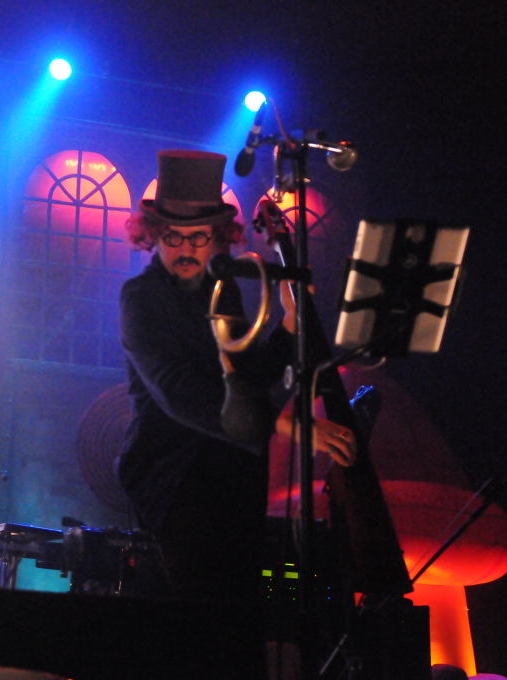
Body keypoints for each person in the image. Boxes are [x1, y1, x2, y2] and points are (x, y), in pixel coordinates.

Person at [117, 150, 357, 613]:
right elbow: (180, 396)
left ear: (218, 239)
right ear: (153, 236)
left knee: (242, 620)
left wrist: (288, 324)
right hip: (175, 477)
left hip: (235, 474)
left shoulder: (221, 293)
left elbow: (252, 380)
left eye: (198, 237)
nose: (186, 248)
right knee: (204, 618)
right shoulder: (140, 298)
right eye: (173, 236)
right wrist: (291, 427)